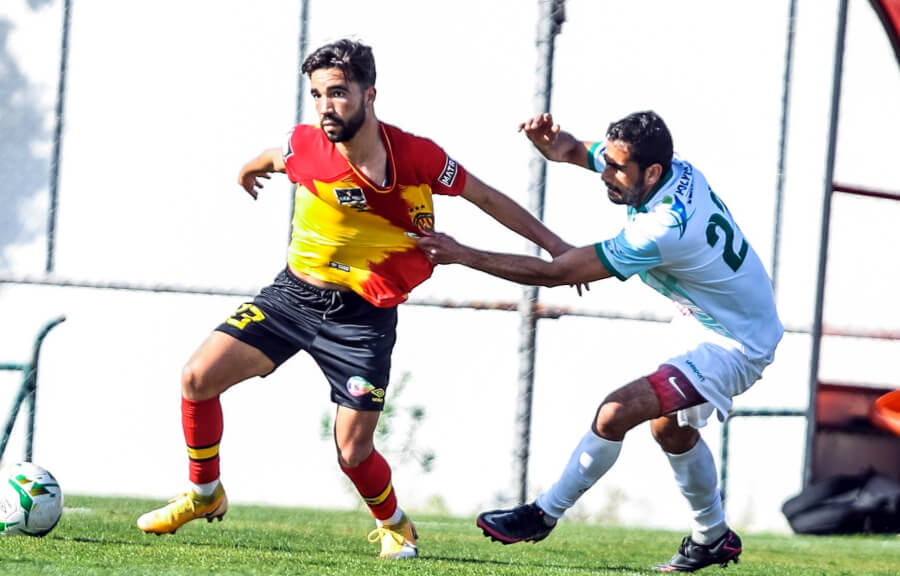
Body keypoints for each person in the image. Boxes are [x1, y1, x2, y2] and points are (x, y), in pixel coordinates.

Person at [135, 39, 574, 559]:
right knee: (196, 378)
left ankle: (395, 524)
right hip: (292, 297)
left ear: (370, 95)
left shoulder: (417, 156)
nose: (326, 106)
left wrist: (556, 247)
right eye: (318, 94)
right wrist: (247, 168)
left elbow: (487, 197)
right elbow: (277, 157)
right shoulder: (306, 145)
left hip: (363, 317)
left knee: (352, 451)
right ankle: (204, 494)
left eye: (338, 93)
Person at [418, 111, 784, 572]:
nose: (606, 174)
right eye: (607, 162)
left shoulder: (663, 227)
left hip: (737, 342)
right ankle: (713, 537)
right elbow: (572, 150)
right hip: (710, 321)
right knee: (669, 428)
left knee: (615, 412)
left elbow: (557, 275)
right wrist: (555, 144)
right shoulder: (671, 169)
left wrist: (462, 254)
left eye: (616, 169)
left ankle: (542, 514)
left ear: (651, 173)